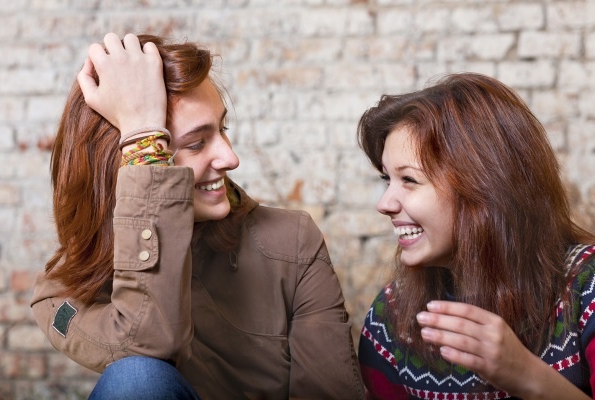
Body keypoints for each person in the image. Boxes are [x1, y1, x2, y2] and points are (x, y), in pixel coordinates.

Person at [31, 32, 364, 400]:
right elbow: (148, 342)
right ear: (120, 162)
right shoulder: (61, 294)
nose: (231, 158)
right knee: (138, 379)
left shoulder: (291, 240)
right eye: (196, 143)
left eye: (223, 129)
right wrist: (145, 144)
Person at [356, 72, 595, 399]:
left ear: (484, 186)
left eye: (409, 180)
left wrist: (526, 375)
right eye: (387, 180)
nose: (384, 204)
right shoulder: (389, 317)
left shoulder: (587, 290)